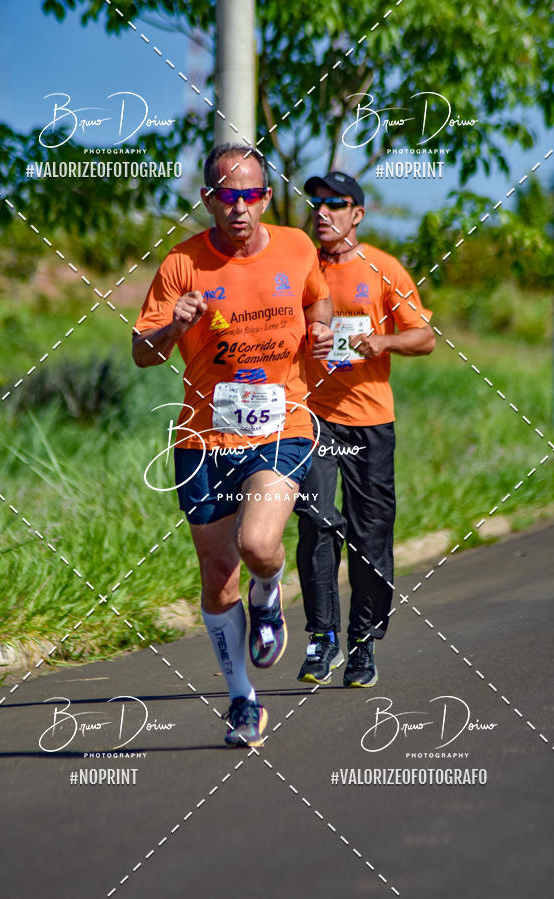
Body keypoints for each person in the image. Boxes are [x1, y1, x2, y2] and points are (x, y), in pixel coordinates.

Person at [133, 143, 333, 747]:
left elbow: (317, 297)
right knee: (219, 575)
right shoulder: (181, 264)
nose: (239, 206)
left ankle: (268, 593)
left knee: (257, 545)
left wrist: (321, 328)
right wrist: (175, 325)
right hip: (204, 438)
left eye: (250, 194)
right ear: (208, 199)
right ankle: (242, 700)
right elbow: (142, 353)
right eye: (227, 195)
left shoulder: (296, 248)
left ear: (266, 198)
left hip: (281, 425)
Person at [294, 171, 435, 688]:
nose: (323, 212)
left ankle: (362, 644)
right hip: (312, 416)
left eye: (336, 203)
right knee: (315, 521)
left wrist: (385, 342)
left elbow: (424, 336)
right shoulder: (300, 267)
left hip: (371, 419)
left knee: (370, 534)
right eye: (316, 203)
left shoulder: (383, 268)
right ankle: (322, 637)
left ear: (357, 214)